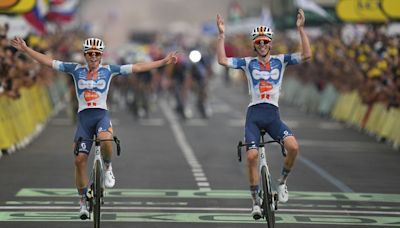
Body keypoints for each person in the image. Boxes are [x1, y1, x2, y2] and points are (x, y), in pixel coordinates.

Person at [11, 37, 177, 220]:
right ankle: (82, 201)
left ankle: (108, 168)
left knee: (106, 139)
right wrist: (26, 50)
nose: (93, 57)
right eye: (90, 53)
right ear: (84, 55)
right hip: (84, 119)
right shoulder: (75, 69)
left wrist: (162, 62)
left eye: (96, 54)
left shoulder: (109, 70)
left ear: (101, 55)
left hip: (101, 116)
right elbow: (49, 62)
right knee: (79, 160)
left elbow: (137, 67)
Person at [216, 9, 311, 220]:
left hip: (273, 116)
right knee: (251, 156)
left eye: (265, 41)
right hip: (254, 114)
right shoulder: (248, 63)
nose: (261, 45)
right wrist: (222, 35)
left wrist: (301, 29)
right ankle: (255, 202)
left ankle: (282, 182)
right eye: (258, 42)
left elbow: (307, 55)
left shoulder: (281, 60)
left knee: (294, 147)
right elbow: (222, 60)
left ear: (270, 43)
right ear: (254, 45)